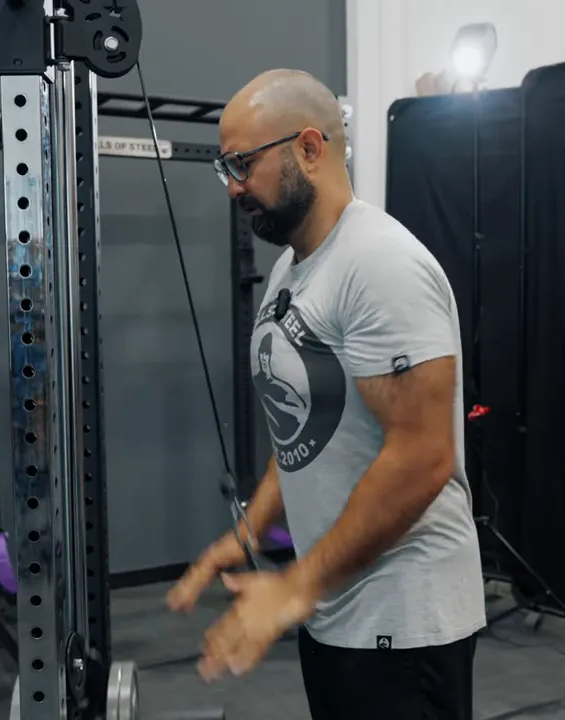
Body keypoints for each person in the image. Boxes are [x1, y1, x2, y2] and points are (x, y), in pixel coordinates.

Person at [166, 68, 486, 720]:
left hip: (403, 620)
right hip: (337, 606)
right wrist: (249, 532)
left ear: (309, 148)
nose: (231, 186)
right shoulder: (293, 268)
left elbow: (422, 457)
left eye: (242, 164)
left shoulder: (378, 264)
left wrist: (294, 585)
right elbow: (307, 433)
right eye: (223, 167)